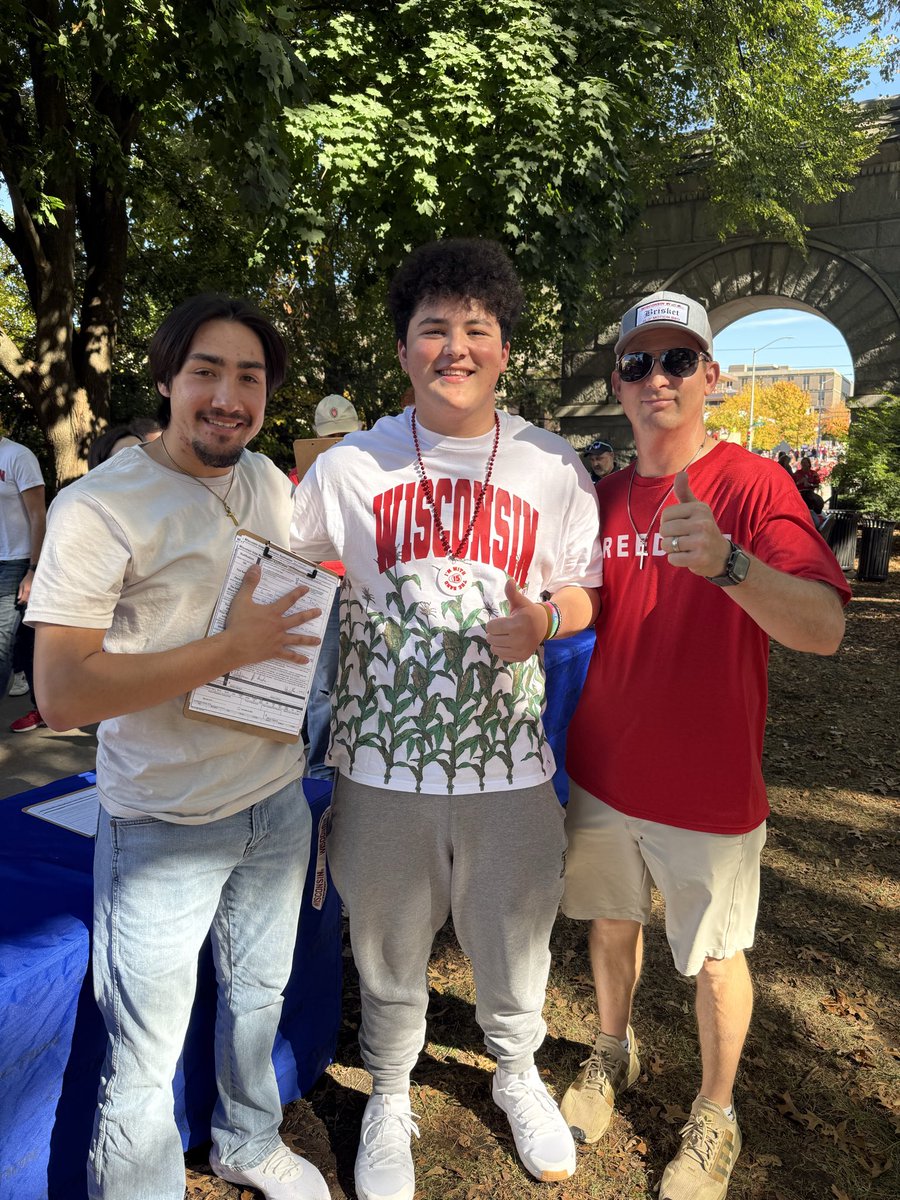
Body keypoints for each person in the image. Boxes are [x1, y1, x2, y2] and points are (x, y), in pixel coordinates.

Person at [290, 238, 604, 1200]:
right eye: (435, 329)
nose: (456, 348)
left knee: (517, 943)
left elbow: (583, 593)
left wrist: (545, 622)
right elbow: (288, 581)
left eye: (477, 329)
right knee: (386, 947)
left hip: (510, 768)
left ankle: (515, 1071)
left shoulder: (552, 466)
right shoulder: (351, 467)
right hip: (380, 765)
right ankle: (389, 1093)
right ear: (403, 351)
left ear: (503, 347)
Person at [27, 295, 331, 1200]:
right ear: (166, 380)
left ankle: (246, 1140)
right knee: (144, 1061)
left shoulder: (271, 482)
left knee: (257, 1005)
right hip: (161, 822)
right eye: (206, 371)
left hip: (275, 806)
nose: (228, 396)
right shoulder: (99, 509)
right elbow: (62, 691)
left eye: (250, 376)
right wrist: (229, 649)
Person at [559, 290, 850, 1200]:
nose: (659, 379)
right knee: (611, 926)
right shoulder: (600, 495)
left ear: (711, 377)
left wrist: (729, 562)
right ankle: (613, 1051)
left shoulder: (756, 486)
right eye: (640, 363)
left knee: (717, 957)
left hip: (711, 783)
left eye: (679, 360)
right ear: (619, 383)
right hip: (603, 768)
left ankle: (715, 1114)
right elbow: (586, 605)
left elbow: (825, 628)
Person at [303, 394, 362, 779]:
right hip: (324, 587)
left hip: (365, 589)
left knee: (366, 678)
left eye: (344, 435)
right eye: (330, 437)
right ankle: (321, 769)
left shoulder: (373, 470)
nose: (337, 443)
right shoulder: (301, 479)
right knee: (323, 684)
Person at [0, 431, 46, 732]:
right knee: (21, 639)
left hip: (17, 561)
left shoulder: (17, 456)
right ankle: (36, 699)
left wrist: (34, 568)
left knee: (2, 639)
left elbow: (38, 515)